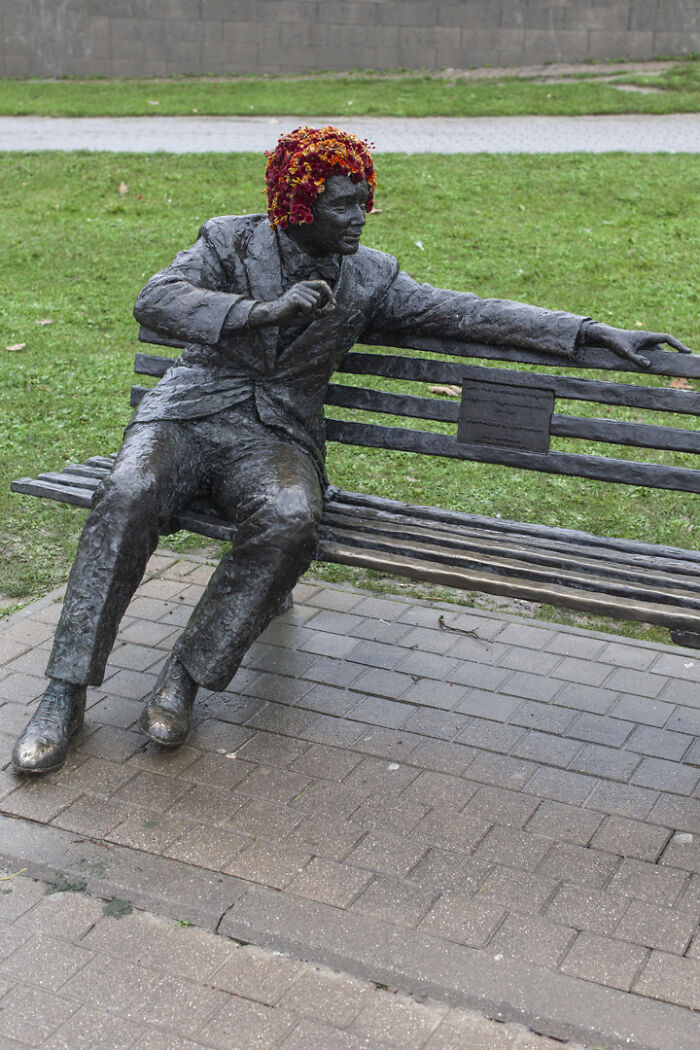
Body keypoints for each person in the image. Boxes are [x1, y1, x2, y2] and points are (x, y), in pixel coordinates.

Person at [11, 125, 691, 775]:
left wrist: (594, 332)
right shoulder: (228, 241)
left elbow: (473, 312)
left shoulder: (370, 276)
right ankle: (64, 693)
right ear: (298, 202)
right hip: (186, 417)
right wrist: (258, 313)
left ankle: (185, 677)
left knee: (290, 517)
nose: (360, 214)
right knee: (128, 491)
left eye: (364, 199)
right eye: (343, 203)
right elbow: (156, 299)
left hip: (273, 436)